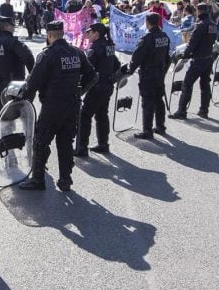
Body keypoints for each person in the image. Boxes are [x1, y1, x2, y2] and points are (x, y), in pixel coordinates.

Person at [19, 21, 97, 192]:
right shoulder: (77, 52)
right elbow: (92, 76)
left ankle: (38, 179)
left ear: (49, 35)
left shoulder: (47, 55)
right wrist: (80, 91)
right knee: (65, 143)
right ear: (62, 33)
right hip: (72, 105)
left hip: (52, 107)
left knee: (40, 142)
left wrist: (22, 98)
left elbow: (32, 83)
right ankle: (65, 180)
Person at [74, 23, 120, 157]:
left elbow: (86, 68)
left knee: (85, 115)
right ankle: (103, 144)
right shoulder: (109, 46)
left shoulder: (95, 48)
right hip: (107, 85)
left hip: (97, 87)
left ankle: (82, 147)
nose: (88, 35)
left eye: (90, 32)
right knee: (102, 114)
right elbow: (116, 64)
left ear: (97, 34)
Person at [168, 3, 219, 120]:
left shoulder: (200, 25)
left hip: (199, 59)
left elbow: (193, 43)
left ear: (198, 11)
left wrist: (185, 55)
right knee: (205, 84)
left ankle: (181, 111)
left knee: (187, 84)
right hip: (208, 58)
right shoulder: (213, 25)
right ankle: (204, 110)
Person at [126, 13, 171, 139]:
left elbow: (137, 58)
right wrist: (163, 71)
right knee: (158, 100)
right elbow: (168, 58)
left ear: (148, 22)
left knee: (148, 102)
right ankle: (160, 126)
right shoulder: (164, 36)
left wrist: (130, 69)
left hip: (148, 74)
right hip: (159, 73)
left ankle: (147, 130)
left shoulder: (147, 39)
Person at [0, 15, 34, 107]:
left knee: (2, 116)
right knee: (18, 114)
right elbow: (28, 57)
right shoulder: (12, 42)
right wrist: (32, 80)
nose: (13, 29)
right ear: (5, 27)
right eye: (12, 26)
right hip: (15, 86)